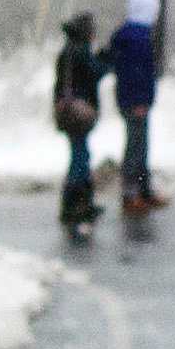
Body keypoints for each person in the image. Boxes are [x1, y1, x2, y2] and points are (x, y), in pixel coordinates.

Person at [106, 0, 168, 217]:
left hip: (128, 97)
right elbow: (140, 72)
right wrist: (142, 100)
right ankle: (133, 193)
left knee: (139, 145)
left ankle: (140, 190)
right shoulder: (139, 37)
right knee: (136, 147)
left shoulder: (125, 34)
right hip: (136, 100)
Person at [51, 13, 105, 230]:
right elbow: (95, 72)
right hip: (77, 111)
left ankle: (78, 203)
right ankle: (76, 204)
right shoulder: (81, 51)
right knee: (80, 156)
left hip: (66, 109)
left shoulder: (67, 51)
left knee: (79, 153)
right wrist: (105, 59)